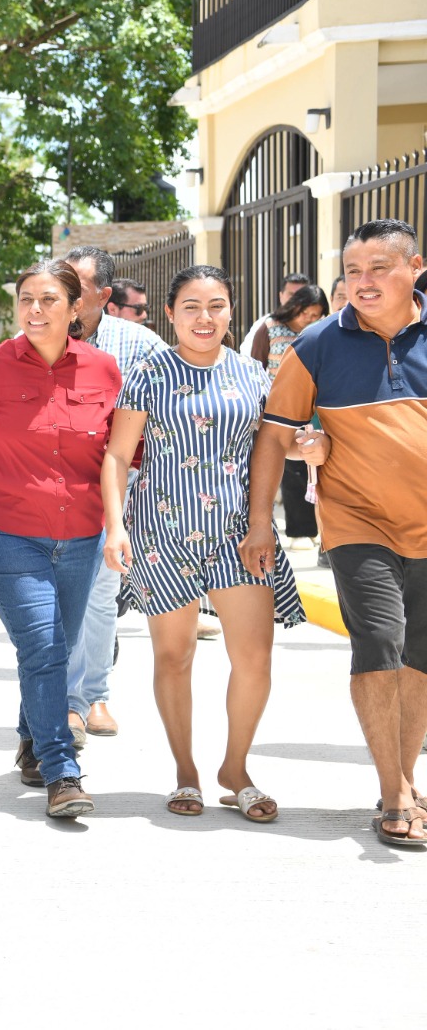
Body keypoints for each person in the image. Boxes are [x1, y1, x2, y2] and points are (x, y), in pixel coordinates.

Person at [243, 218, 427, 846]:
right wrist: (262, 518)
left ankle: (401, 779)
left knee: (420, 656)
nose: (364, 282)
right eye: (353, 271)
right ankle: (394, 794)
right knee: (379, 639)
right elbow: (274, 433)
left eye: (379, 268)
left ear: (416, 267)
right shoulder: (318, 343)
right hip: (356, 523)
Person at [102, 266, 308, 822]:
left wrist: (308, 448)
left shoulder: (255, 375)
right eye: (190, 306)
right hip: (162, 534)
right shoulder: (147, 372)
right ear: (170, 314)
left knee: (255, 660)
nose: (204, 317)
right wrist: (115, 526)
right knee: (175, 655)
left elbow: (277, 446)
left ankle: (234, 769)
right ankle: (186, 773)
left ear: (231, 312)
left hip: (242, 535)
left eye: (216, 305)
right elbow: (119, 454)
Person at [0, 259, 121, 817]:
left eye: (47, 300)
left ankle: (32, 740)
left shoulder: (105, 370)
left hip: (81, 538)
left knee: (52, 652)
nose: (34, 310)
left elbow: (121, 453)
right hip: (8, 533)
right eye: (25, 300)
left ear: (75, 308)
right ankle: (63, 769)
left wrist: (122, 524)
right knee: (43, 648)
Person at [61, 245, 168, 740]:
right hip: (54, 488)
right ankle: (65, 701)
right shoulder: (38, 335)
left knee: (102, 596)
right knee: (61, 600)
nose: (61, 298)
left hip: (115, 491)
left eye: (76, 289)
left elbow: (165, 417)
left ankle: (94, 695)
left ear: (103, 296)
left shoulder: (140, 346)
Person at [247, 284, 330, 551]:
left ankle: (318, 529)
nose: (310, 318)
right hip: (276, 410)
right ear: (295, 306)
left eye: (316, 314)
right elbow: (256, 365)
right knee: (289, 471)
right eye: (306, 311)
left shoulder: (322, 333)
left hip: (314, 407)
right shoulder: (269, 327)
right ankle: (298, 530)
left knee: (314, 466)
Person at [239, 272, 313, 362]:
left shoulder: (317, 324)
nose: (296, 300)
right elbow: (250, 362)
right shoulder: (266, 325)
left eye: (301, 295)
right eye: (291, 295)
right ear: (281, 296)